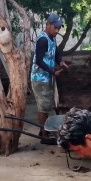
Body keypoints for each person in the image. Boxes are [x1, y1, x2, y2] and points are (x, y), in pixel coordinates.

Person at [30, 13, 68, 141]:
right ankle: (44, 135)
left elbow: (56, 52)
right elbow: (39, 61)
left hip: (47, 77)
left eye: (58, 28)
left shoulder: (52, 38)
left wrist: (61, 62)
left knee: (46, 105)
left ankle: (44, 131)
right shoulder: (43, 40)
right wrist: (53, 72)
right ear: (48, 25)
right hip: (39, 79)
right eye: (55, 28)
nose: (57, 31)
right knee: (43, 107)